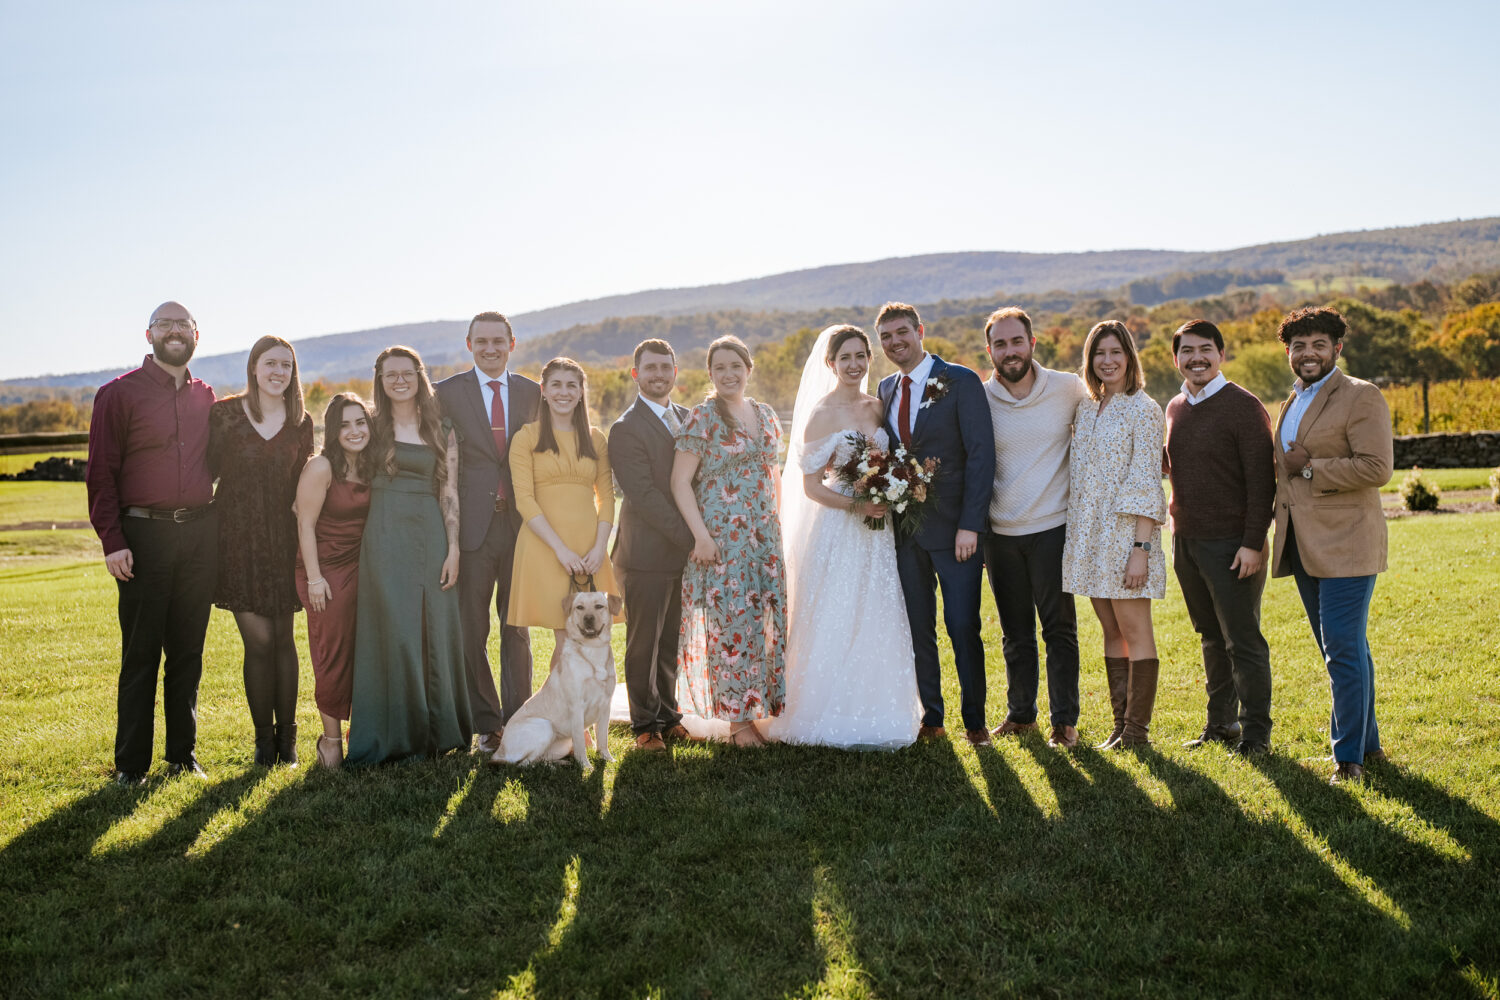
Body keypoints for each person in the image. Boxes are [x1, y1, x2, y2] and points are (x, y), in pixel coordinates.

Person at [767, 325, 921, 749]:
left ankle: (878, 707)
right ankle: (820, 708)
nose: (854, 365)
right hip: (839, 526)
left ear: (870, 360)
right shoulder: (821, 413)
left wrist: (891, 488)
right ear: (830, 364)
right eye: (845, 358)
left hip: (877, 530)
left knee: (877, 609)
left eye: (860, 356)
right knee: (835, 611)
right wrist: (857, 505)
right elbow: (812, 486)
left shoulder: (878, 407)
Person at [86, 301, 217, 786]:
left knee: (188, 652)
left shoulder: (207, 397)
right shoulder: (118, 396)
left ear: (196, 335)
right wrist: (112, 541)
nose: (175, 331)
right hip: (143, 537)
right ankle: (130, 766)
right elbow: (100, 475)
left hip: (199, 536)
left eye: (184, 324)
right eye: (166, 324)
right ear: (148, 335)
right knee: (141, 653)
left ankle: (182, 756)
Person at [1269, 307, 1393, 785]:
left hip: (1348, 543)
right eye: (1299, 346)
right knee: (1344, 647)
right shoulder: (1290, 402)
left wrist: (1309, 468)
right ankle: (1370, 745)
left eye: (1319, 344)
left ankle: (1348, 760)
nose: (1308, 354)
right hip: (1301, 544)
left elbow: (1376, 467)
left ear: (1337, 349)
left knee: (1341, 647)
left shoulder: (1361, 395)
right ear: (1289, 353)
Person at [875, 302, 995, 746]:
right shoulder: (886, 388)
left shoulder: (961, 381)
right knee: (917, 626)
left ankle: (975, 721)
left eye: (902, 332)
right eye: (886, 337)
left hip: (955, 532)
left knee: (963, 626)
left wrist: (972, 525)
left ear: (920, 331)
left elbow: (982, 455)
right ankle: (932, 717)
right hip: (905, 534)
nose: (895, 342)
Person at [345, 346, 472, 765]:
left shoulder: (441, 428)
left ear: (420, 376)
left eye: (406, 373)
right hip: (383, 536)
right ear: (379, 381)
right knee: (395, 629)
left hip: (432, 533)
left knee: (435, 626)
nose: (399, 380)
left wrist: (453, 546)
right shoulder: (371, 427)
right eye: (389, 374)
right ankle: (395, 734)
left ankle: (440, 731)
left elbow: (449, 490)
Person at [1164, 319, 1276, 757]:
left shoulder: (1244, 407)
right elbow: (1178, 467)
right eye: (1187, 351)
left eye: (1205, 349)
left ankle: (1256, 734)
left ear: (1221, 354)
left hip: (1232, 545)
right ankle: (1221, 724)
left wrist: (1253, 542)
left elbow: (1261, 482)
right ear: (1176, 359)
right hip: (1186, 542)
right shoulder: (1174, 407)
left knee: (1243, 640)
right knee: (1211, 636)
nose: (1196, 358)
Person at [980, 307, 1089, 749]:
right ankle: (1021, 715)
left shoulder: (1068, 388)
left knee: (1059, 630)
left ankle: (1064, 722)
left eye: (1016, 341)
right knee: (1015, 633)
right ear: (990, 350)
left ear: (1032, 343)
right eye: (1000, 344)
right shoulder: (978, 398)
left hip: (1053, 528)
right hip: (999, 533)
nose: (1010, 351)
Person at [670, 335, 787, 747]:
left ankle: (756, 708)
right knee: (730, 626)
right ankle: (736, 724)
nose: (728, 374)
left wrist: (779, 526)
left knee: (760, 625)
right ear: (710, 373)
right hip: (722, 540)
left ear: (748, 369)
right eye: (719, 368)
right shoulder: (702, 417)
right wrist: (701, 536)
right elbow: (680, 482)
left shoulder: (767, 414)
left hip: (763, 537)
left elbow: (774, 475)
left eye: (735, 366)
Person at [434, 312, 539, 755]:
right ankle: (486, 724)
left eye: (499, 340)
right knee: (471, 630)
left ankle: (519, 719)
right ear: (469, 344)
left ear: (512, 343)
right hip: (471, 529)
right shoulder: (447, 393)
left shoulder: (533, 392)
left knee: (516, 628)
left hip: (520, 526)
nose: (490, 348)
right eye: (482, 341)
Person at [1060, 320, 1168, 749]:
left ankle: (1137, 732)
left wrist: (1140, 549)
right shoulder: (1085, 409)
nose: (1107, 361)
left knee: (1135, 629)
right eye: (1099, 354)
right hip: (1088, 534)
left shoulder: (1144, 409)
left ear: (1129, 357)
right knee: (1110, 630)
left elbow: (1146, 482)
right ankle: (1119, 726)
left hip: (1126, 537)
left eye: (1115, 352)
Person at [209, 336, 315, 766]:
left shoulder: (301, 421)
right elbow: (207, 472)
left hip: (283, 540)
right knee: (259, 641)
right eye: (270, 364)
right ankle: (262, 742)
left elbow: (305, 482)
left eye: (286, 366)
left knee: (284, 640)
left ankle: (287, 742)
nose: (278, 372)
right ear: (254, 368)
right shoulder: (225, 415)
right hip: (236, 541)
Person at [504, 357, 621, 680]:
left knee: (587, 642)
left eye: (572, 385)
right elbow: (524, 500)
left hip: (589, 548)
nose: (563, 392)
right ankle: (566, 724)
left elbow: (607, 498)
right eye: (556, 384)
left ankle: (571, 722)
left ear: (582, 392)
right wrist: (561, 551)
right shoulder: (526, 438)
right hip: (546, 547)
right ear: (543, 391)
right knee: (566, 641)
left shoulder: (596, 439)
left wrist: (600, 548)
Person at [609, 339, 698, 751]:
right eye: (651, 368)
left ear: (675, 373)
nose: (659, 375)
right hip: (645, 553)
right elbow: (643, 497)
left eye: (666, 367)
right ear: (636, 374)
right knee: (643, 641)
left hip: (682, 555)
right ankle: (644, 725)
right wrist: (692, 538)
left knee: (670, 640)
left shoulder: (686, 417)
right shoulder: (626, 428)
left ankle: (668, 713)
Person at [293, 392, 373, 769]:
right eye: (345, 424)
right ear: (333, 430)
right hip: (324, 570)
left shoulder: (372, 466)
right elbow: (304, 524)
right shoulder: (321, 467)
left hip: (364, 566)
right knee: (333, 649)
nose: (355, 431)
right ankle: (329, 741)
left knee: (364, 650)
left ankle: (359, 731)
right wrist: (314, 579)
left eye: (361, 422)